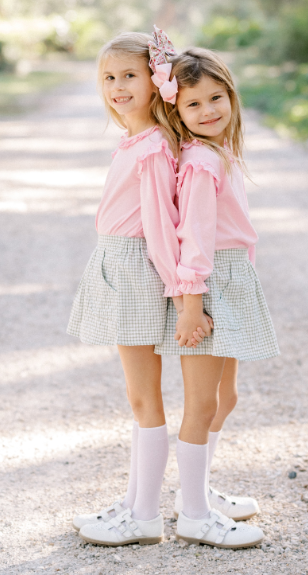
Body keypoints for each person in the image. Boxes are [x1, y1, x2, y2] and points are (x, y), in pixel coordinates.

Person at [67, 30, 210, 546]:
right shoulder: (137, 140)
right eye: (108, 77)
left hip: (133, 273)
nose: (117, 86)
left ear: (156, 81)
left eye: (129, 75)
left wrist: (183, 296)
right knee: (138, 396)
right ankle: (134, 501)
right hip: (119, 266)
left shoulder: (151, 148)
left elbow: (161, 226)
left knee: (143, 397)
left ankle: (144, 515)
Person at [154, 47, 280, 548]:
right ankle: (193, 512)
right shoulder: (202, 161)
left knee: (227, 396)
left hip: (230, 282)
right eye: (193, 105)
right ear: (177, 113)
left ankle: (197, 491)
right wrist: (190, 302)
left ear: (231, 95)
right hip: (206, 288)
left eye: (216, 97)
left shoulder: (221, 152)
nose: (208, 111)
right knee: (202, 403)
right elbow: (195, 236)